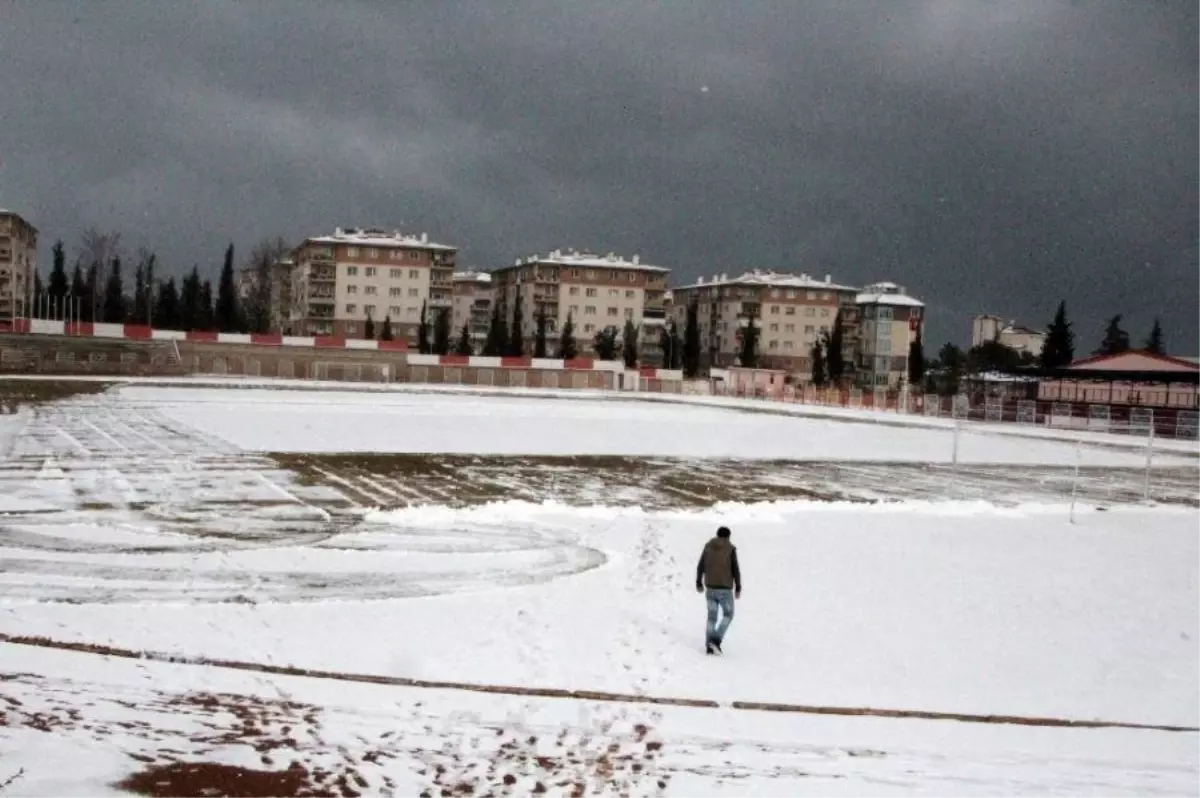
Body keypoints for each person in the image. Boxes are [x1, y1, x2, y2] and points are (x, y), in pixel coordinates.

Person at [695, 526, 742, 654]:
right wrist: (738, 587)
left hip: (710, 588)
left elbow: (701, 565)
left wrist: (698, 582)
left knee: (712, 617)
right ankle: (715, 640)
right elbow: (735, 569)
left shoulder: (708, 547)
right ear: (728, 536)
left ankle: (709, 646)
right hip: (725, 589)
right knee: (728, 614)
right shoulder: (730, 549)